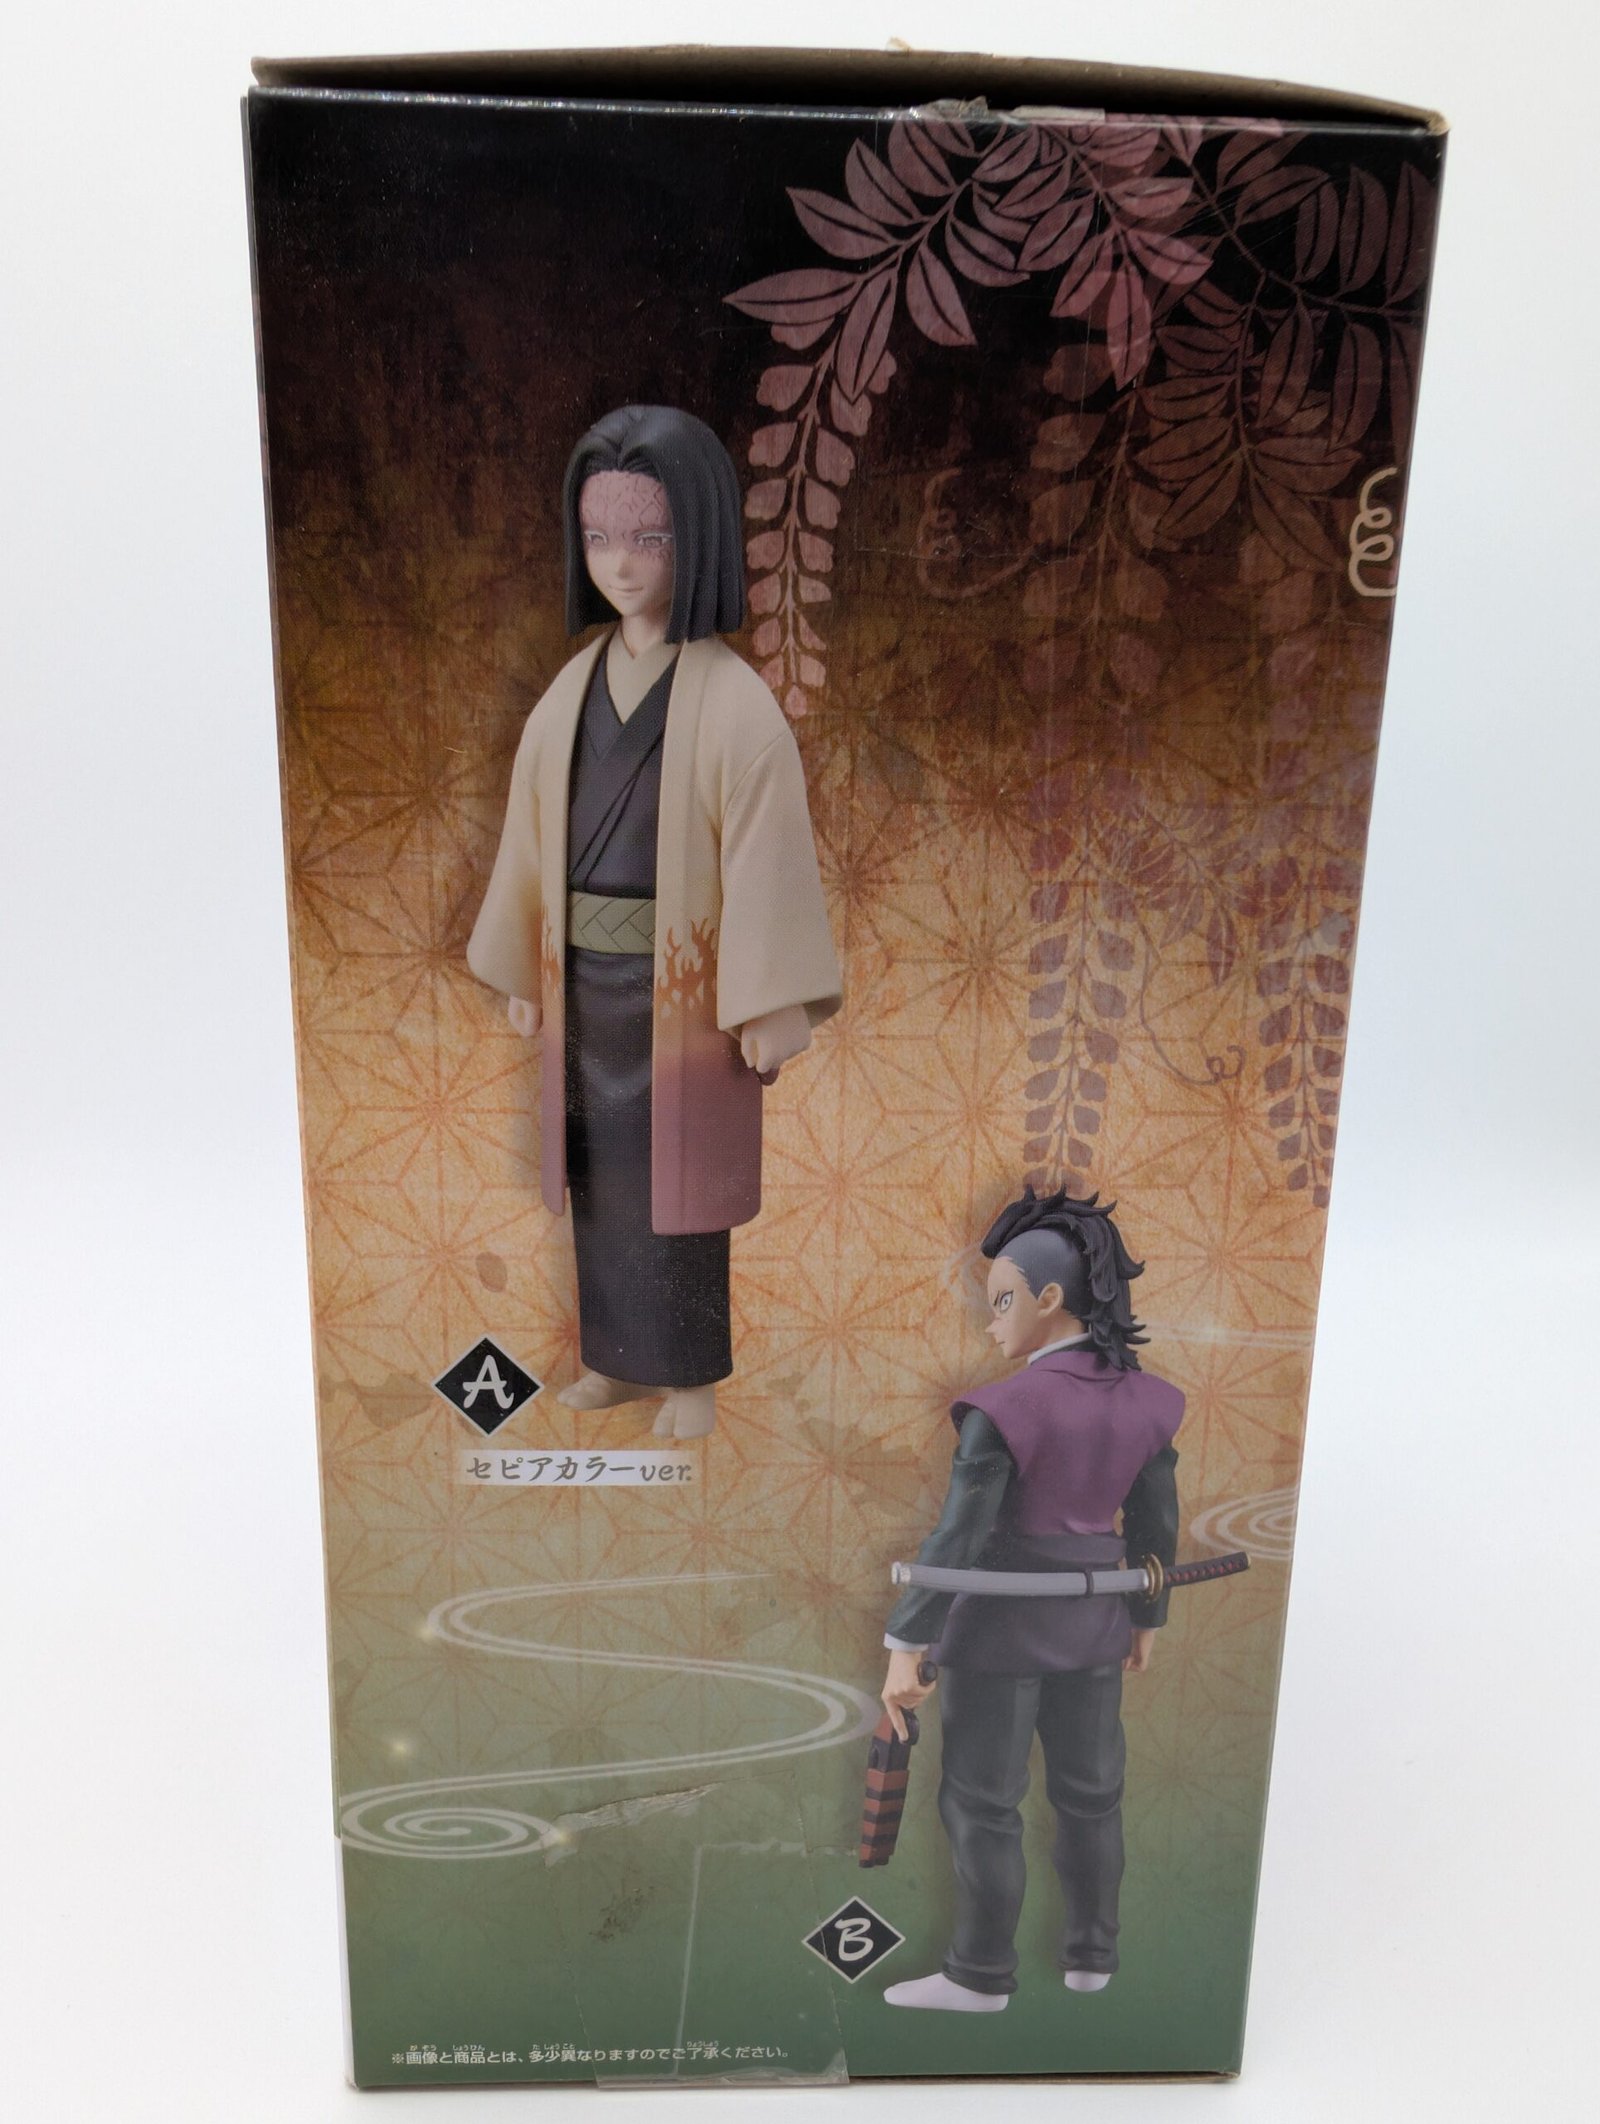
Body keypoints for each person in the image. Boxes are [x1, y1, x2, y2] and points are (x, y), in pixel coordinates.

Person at [467, 406, 841, 1439]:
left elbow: (767, 854)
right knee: (602, 1179)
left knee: (681, 1192)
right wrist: (523, 967)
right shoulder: (572, 691)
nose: (621, 564)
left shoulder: (733, 702)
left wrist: (769, 999)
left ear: (698, 537)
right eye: (599, 538)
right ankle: (615, 1361)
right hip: (584, 984)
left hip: (686, 991)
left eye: (649, 537)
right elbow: (530, 832)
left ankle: (688, 1378)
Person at [879, 1186, 1183, 2009]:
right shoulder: (1148, 1401)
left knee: (984, 1804)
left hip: (1000, 1634)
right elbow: (1155, 1519)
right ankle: (1092, 1958)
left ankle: (980, 1976)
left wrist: (906, 1643)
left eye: (1003, 1301)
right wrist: (1145, 1616)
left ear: (1049, 1299)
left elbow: (958, 1539)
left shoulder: (1006, 1408)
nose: (991, 1323)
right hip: (1096, 1626)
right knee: (1091, 1799)